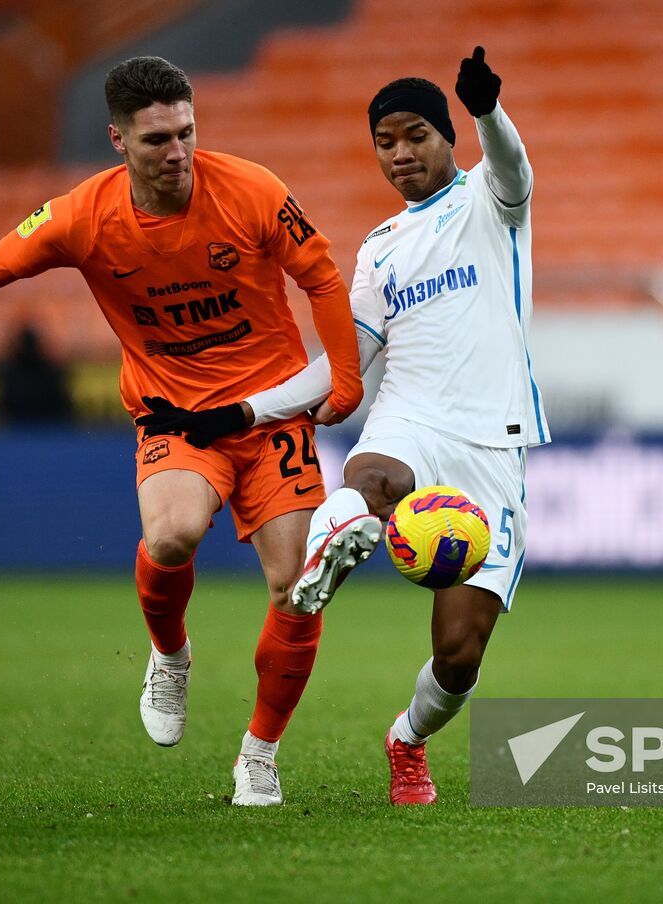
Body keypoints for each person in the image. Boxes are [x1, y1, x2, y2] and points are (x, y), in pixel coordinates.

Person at [0, 56, 364, 807]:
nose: (177, 153)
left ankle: (259, 754)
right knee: (171, 538)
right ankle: (171, 656)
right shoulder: (82, 216)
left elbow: (323, 277)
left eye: (186, 133)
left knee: (295, 588)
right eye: (156, 140)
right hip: (176, 416)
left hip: (270, 412)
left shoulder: (253, 189)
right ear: (117, 139)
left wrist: (345, 380)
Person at [140, 47, 547, 805]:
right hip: (411, 418)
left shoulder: (492, 202)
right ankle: (335, 535)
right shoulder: (379, 251)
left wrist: (489, 109)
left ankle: (407, 739)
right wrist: (243, 410)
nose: (400, 154)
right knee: (373, 478)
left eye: (415, 135)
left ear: (446, 137)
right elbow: (342, 367)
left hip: (493, 445)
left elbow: (516, 170)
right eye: (384, 142)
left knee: (459, 658)